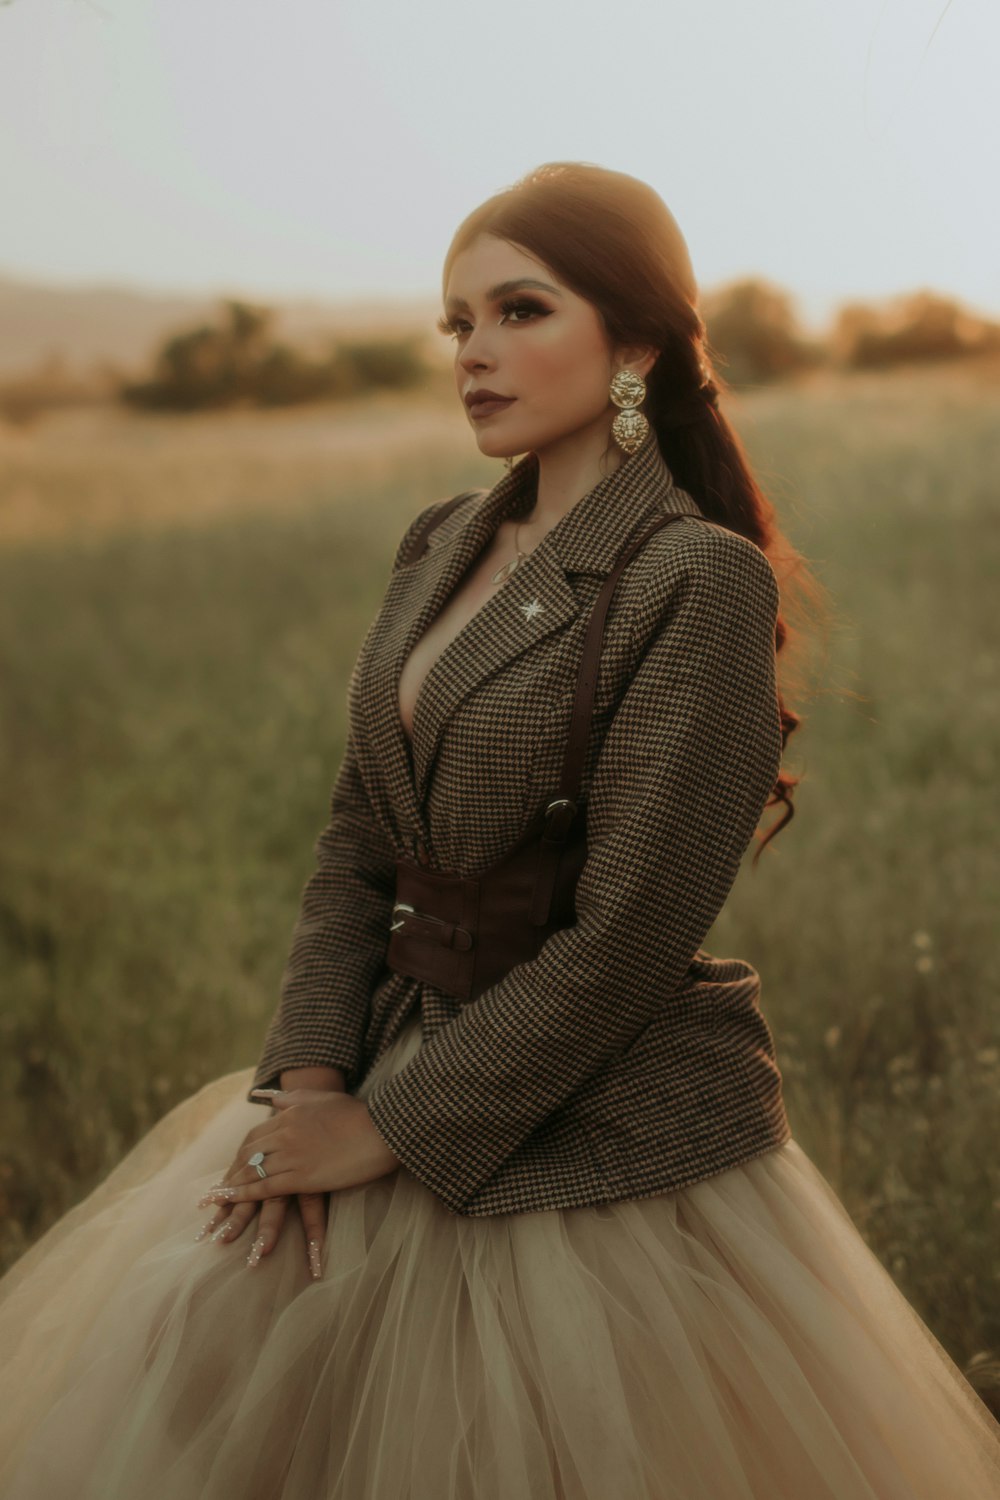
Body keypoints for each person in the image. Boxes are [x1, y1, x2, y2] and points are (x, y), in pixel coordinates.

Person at [1, 161, 998, 1500]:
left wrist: (389, 1132)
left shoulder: (692, 575)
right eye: (456, 322)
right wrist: (307, 1085)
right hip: (362, 1068)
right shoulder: (438, 544)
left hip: (581, 1132)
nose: (473, 353)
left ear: (635, 340)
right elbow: (359, 838)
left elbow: (632, 932)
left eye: (520, 312)